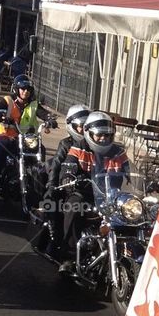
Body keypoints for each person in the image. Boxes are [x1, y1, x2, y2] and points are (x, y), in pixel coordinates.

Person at [51, 110, 130, 271]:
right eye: (99, 135)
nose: (104, 138)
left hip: (111, 196)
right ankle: (69, 256)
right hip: (85, 193)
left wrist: (147, 182)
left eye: (107, 135)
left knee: (134, 214)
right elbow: (68, 165)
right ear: (88, 134)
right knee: (73, 206)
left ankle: (130, 253)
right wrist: (68, 176)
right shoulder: (79, 147)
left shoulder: (118, 152)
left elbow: (130, 171)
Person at [32, 103, 90, 258]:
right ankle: (60, 244)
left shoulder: (94, 145)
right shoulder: (66, 144)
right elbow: (56, 166)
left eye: (87, 126)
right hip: (67, 186)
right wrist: (52, 185)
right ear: (71, 126)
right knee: (57, 206)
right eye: (80, 126)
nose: (83, 130)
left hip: (89, 188)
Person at [0, 75, 54, 190]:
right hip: (6, 136)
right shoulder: (8, 101)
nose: (25, 92)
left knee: (40, 149)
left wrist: (50, 119)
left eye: (28, 89)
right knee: (2, 147)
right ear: (17, 89)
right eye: (23, 88)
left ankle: (38, 177)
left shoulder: (33, 104)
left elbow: (43, 113)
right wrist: (2, 116)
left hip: (25, 138)